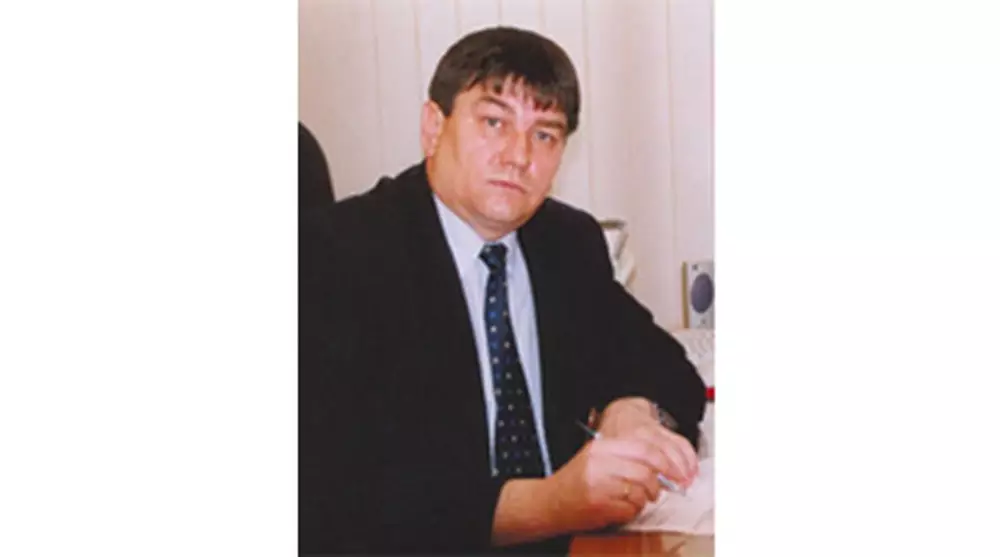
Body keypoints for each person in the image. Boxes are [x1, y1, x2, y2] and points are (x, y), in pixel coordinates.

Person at [299, 26, 707, 555]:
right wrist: (553, 503)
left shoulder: (565, 240)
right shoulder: (335, 255)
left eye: (545, 135)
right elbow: (338, 497)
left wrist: (630, 410)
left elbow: (671, 372)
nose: (519, 155)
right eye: (494, 123)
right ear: (433, 127)